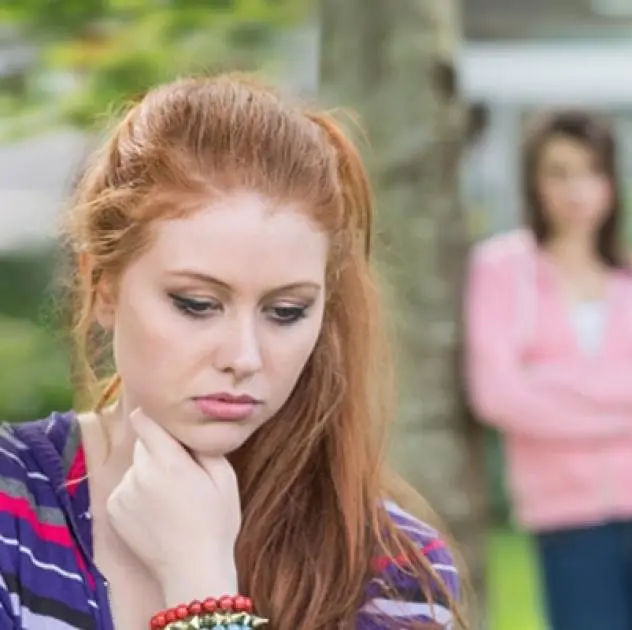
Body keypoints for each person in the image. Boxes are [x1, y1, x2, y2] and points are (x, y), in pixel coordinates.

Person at [0, 74, 460, 629]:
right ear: (103, 287)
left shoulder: (393, 570)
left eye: (285, 311)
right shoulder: (11, 508)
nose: (244, 357)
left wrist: (200, 582)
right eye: (196, 304)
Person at [463, 110, 632, 630]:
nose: (576, 189)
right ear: (534, 182)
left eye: (591, 171)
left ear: (611, 183)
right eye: (559, 172)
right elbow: (498, 396)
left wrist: (551, 380)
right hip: (569, 519)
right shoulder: (500, 270)